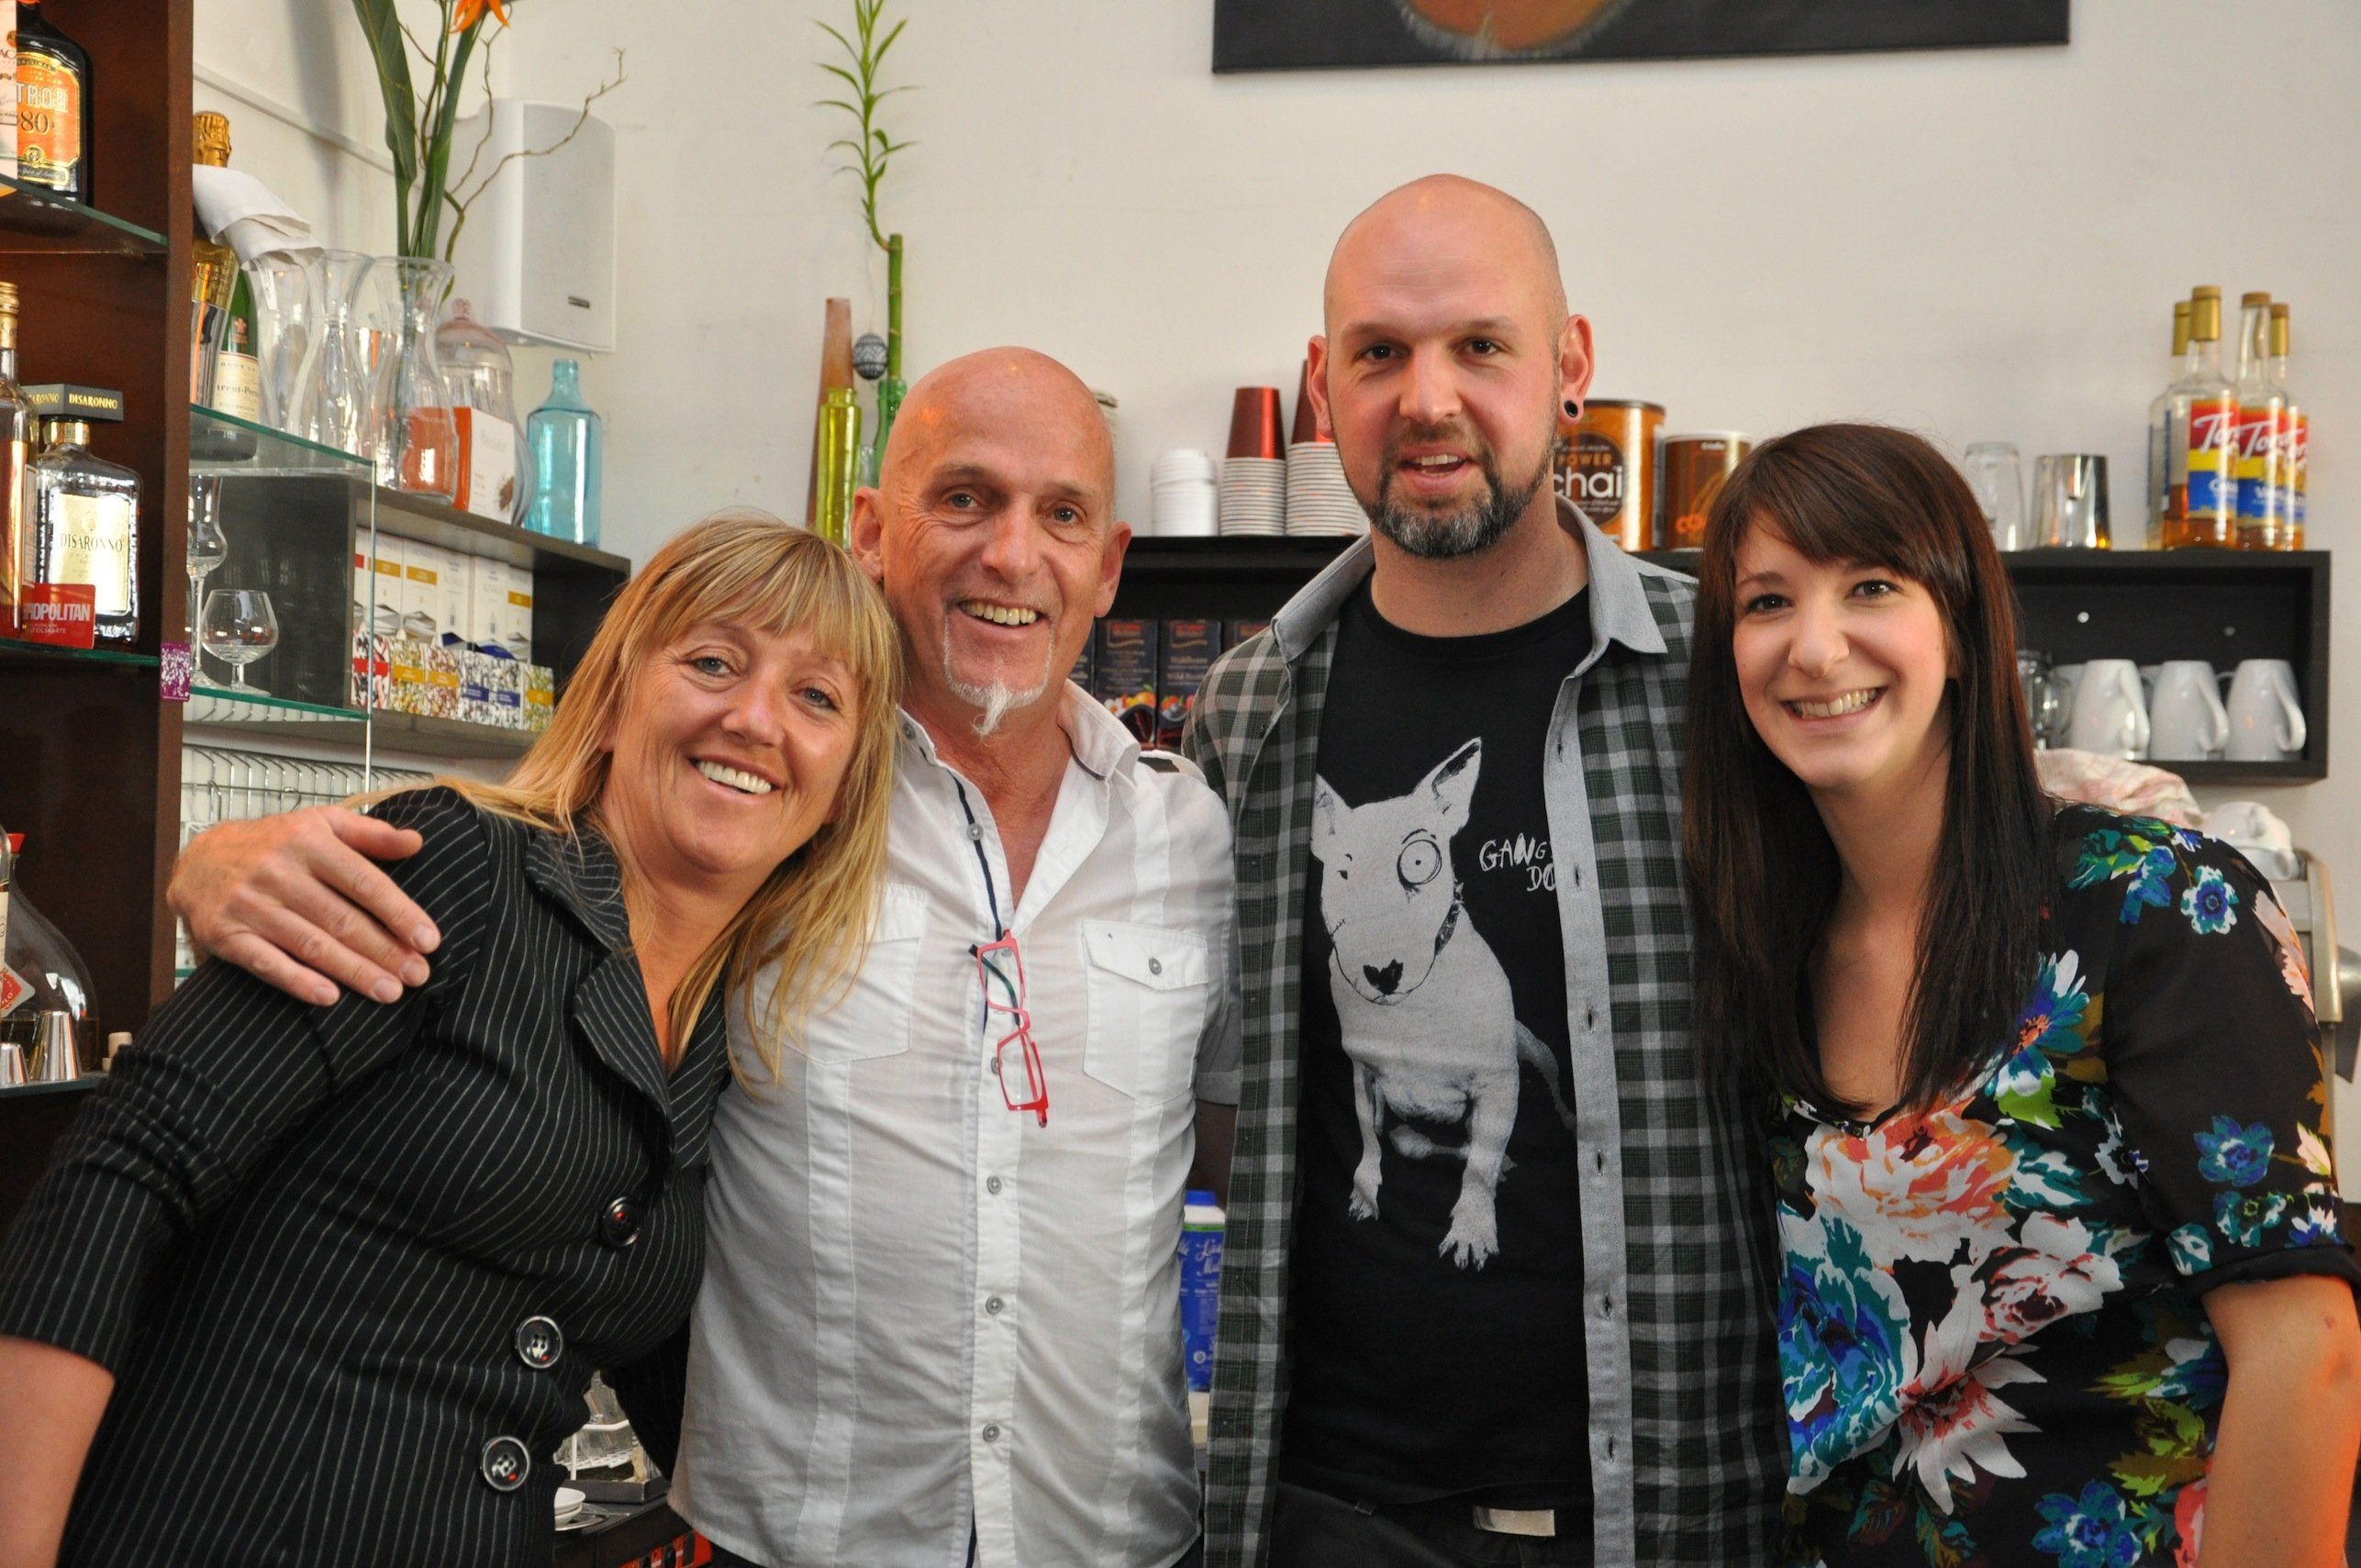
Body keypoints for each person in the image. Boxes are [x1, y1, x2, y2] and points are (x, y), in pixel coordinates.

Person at [166, 348, 1242, 1568]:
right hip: (791, 1543)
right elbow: (542, 876)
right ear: (872, 531)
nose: (1010, 553)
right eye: (964, 498)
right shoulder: (775, 806)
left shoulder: (1190, 838)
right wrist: (220, 855)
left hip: (1118, 1541)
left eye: (1061, 515)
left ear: (1109, 565)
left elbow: (1244, 1168)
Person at [0, 514, 904, 1568]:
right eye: (712, 662)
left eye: (816, 697)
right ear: (614, 698)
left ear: (845, 786)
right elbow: (122, 1175)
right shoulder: (457, 871)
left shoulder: (725, 1036)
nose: (753, 718)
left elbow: (684, 1381)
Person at [1184, 174, 1784, 1568]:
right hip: (1326, 1511)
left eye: (1479, 345)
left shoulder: (1720, 681)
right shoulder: (1249, 711)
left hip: (1667, 1507)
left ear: (1570, 365)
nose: (1427, 397)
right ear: (1322, 387)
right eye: (1378, 352)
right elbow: (1221, 1087)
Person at [1679, 423, 2361, 1567]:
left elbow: (2308, 1352)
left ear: (1959, 626)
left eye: (1870, 585)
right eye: (1764, 602)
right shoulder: (1767, 951)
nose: (1813, 645)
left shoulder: (2150, 902)